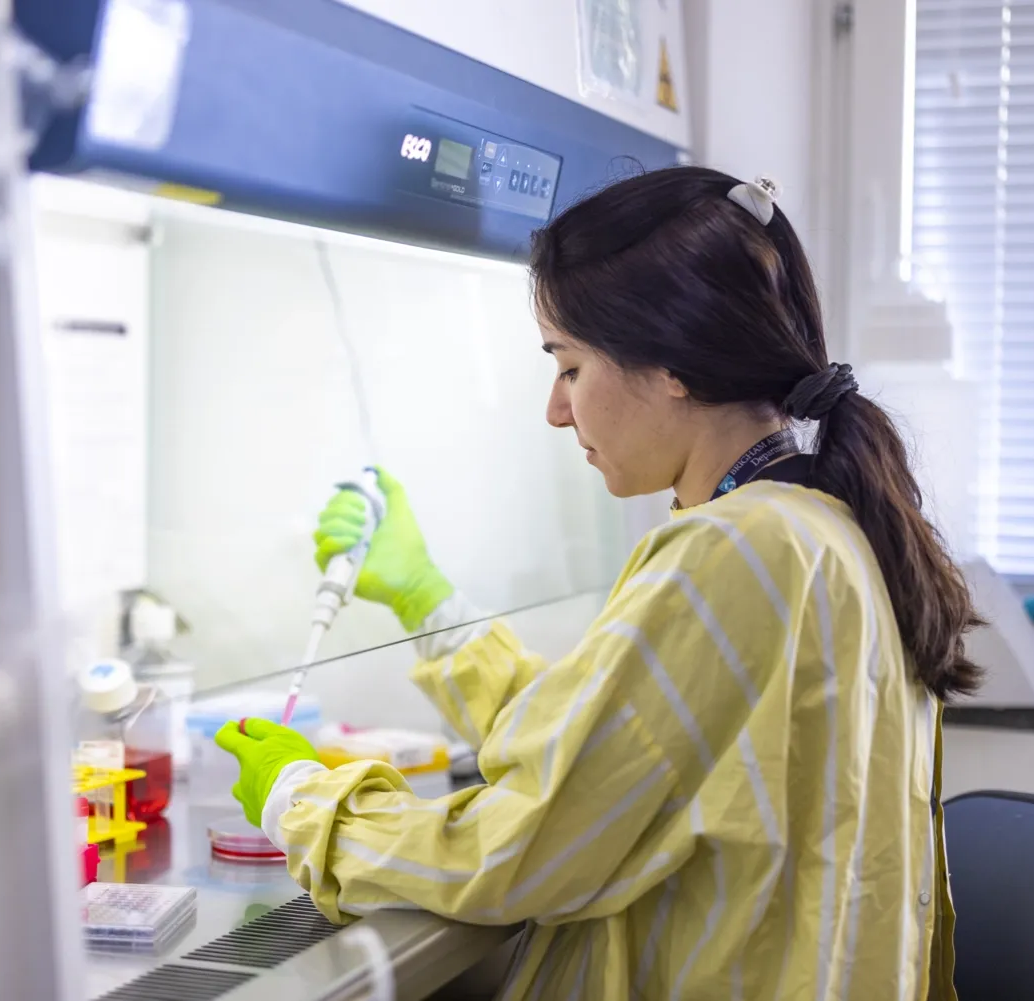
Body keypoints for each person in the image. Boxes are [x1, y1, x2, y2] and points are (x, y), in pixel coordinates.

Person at [214, 167, 978, 1000]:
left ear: (673, 363)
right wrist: (428, 601)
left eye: (569, 366)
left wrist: (306, 802)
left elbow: (522, 851)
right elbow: (615, 745)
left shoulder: (738, 550)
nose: (556, 408)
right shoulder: (817, 522)